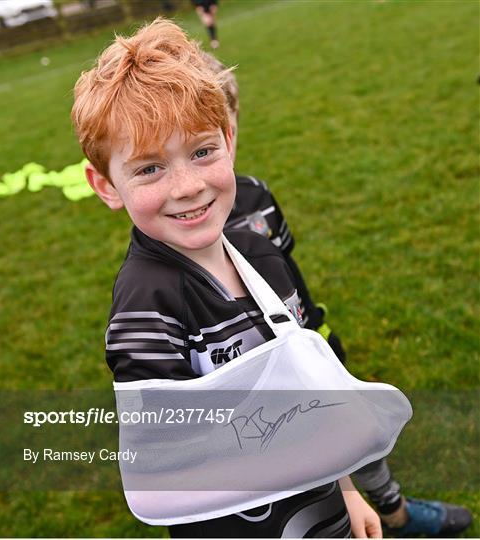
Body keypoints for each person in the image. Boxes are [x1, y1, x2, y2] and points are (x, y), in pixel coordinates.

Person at [72, 18, 383, 538]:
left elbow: (309, 396)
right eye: (149, 168)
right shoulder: (146, 305)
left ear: (229, 140)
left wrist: (347, 489)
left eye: (201, 152)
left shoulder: (263, 257)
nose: (188, 186)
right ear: (105, 185)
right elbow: (161, 472)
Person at [200, 53, 473, 537]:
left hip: (306, 339)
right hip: (256, 381)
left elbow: (291, 274)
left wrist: (317, 328)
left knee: (356, 427)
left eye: (228, 124)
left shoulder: (257, 197)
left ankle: (394, 510)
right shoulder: (182, 239)